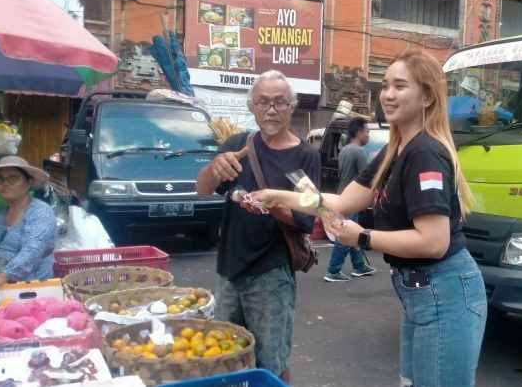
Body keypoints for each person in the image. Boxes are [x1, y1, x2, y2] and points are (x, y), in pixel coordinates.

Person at [252, 49, 487, 387]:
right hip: (420, 294)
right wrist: (279, 195)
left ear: (427, 97)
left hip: (445, 291)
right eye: (385, 85)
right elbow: (340, 203)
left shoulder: (424, 152)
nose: (388, 95)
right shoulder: (395, 151)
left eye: (400, 86)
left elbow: (435, 242)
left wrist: (361, 237)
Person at [196, 70, 319, 384]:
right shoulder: (238, 145)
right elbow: (203, 188)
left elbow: (306, 219)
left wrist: (276, 206)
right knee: (223, 353)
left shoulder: (305, 155)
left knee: (270, 361)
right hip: (229, 270)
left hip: (272, 275)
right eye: (263, 102)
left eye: (279, 102)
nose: (271, 109)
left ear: (292, 106)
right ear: (252, 107)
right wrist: (214, 168)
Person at [0, 156, 56, 285]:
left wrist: (2, 276)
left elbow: (32, 251)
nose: (5, 183)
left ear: (28, 182)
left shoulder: (41, 212)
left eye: (13, 178)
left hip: (26, 286)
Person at [324, 117, 376, 282]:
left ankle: (360, 266)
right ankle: (333, 271)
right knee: (345, 234)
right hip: (352, 200)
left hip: (342, 196)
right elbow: (367, 178)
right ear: (359, 132)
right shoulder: (359, 152)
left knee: (354, 231)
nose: (368, 136)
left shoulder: (345, 150)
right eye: (367, 132)